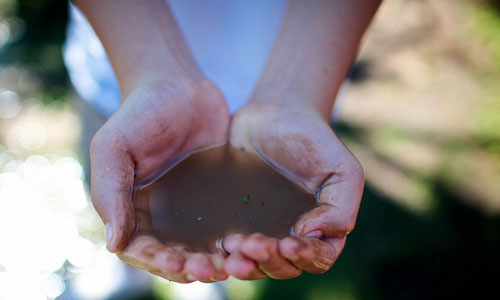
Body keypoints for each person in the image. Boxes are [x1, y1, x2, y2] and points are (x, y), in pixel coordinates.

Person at [66, 0, 381, 283]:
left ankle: (202, 284)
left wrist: (294, 93)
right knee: (126, 199)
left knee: (201, 248)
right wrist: (155, 74)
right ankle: (130, 275)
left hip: (309, 72)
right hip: (128, 74)